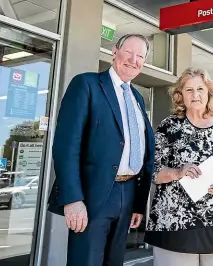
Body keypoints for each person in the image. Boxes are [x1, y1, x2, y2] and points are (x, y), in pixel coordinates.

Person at [48, 34, 155, 266]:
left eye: (140, 56)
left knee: (113, 262)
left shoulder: (137, 97)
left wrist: (138, 204)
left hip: (128, 193)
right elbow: (66, 146)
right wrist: (73, 199)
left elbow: (142, 148)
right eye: (129, 52)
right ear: (114, 52)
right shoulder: (86, 84)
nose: (133, 60)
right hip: (93, 194)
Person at [145, 67, 213, 266]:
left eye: (200, 89)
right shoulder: (169, 127)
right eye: (189, 90)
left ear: (209, 93)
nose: (195, 95)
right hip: (174, 224)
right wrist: (177, 172)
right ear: (180, 95)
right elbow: (152, 170)